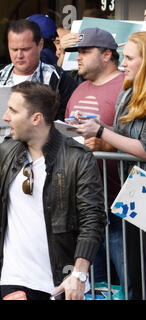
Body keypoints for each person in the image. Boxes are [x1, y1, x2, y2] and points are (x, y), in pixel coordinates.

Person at [0, 81, 106, 300]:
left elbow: (93, 219)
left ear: (36, 118)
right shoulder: (8, 149)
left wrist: (79, 273)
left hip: (61, 279)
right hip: (15, 277)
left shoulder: (77, 158)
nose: (5, 117)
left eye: (13, 111)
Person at [75, 31, 146, 299]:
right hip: (131, 192)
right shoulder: (128, 92)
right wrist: (88, 127)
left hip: (139, 192)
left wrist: (101, 132)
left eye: (129, 58)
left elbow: (143, 148)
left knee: (137, 274)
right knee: (134, 275)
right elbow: (123, 136)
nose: (123, 63)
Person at [64, 27, 125, 293]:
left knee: (130, 281)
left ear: (106, 55)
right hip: (87, 206)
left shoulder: (127, 86)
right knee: (98, 286)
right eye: (77, 52)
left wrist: (105, 143)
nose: (78, 57)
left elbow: (138, 139)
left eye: (85, 51)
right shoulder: (78, 90)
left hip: (122, 206)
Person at [0, 19, 77, 150]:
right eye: (14, 49)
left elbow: (71, 129)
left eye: (25, 49)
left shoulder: (60, 80)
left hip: (45, 165)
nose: (19, 55)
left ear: (40, 45)